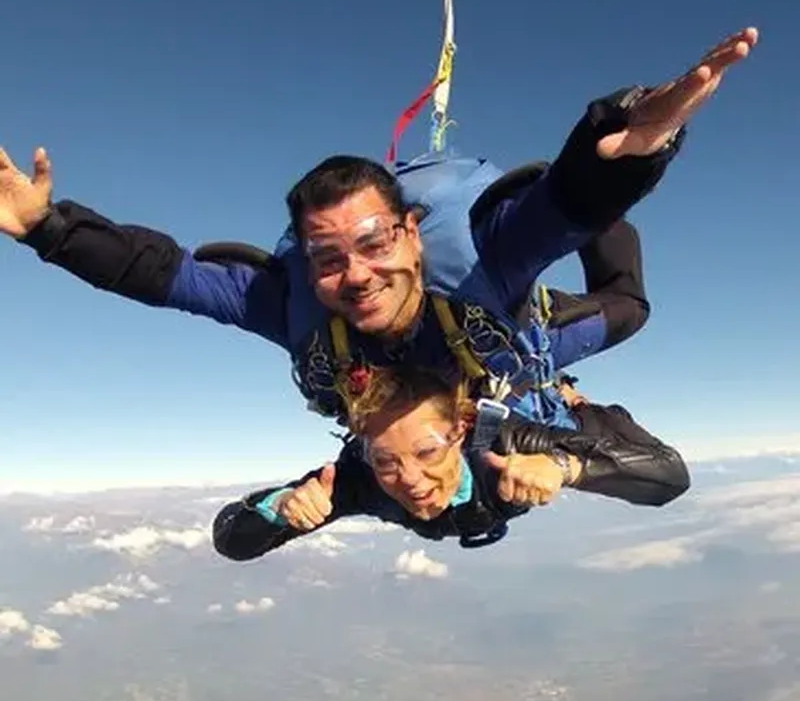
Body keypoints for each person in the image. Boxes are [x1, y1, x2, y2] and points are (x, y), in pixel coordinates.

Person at [2, 28, 757, 430]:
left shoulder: (482, 258)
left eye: (373, 243)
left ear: (413, 233)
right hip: (469, 371)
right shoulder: (294, 305)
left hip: (507, 340)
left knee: (626, 303)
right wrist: (46, 229)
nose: (356, 275)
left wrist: (627, 143)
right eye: (328, 257)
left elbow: (568, 198)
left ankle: (603, 216)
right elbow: (165, 274)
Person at [211, 365, 691, 560]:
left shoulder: (510, 443)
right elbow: (232, 540)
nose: (410, 480)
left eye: (427, 452)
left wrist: (565, 466)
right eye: (386, 460)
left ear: (460, 432)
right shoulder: (357, 477)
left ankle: (568, 392)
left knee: (600, 421)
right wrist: (281, 507)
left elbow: (670, 476)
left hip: (556, 422)